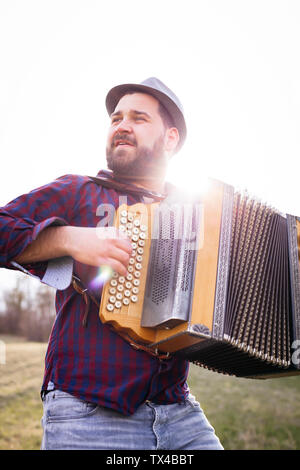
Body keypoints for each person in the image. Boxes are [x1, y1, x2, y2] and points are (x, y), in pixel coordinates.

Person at [0, 77, 223, 450]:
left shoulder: (195, 211)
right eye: (116, 118)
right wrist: (70, 238)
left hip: (178, 411)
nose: (122, 125)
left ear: (170, 139)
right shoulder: (78, 190)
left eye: (138, 118)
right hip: (88, 411)